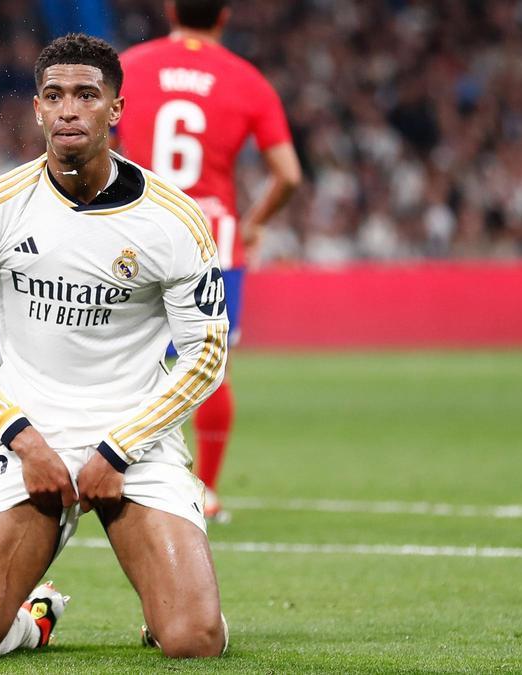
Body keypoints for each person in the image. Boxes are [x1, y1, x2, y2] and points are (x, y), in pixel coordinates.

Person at [0, 34, 230, 659]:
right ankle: (37, 616)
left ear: (115, 109)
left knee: (192, 640)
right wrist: (23, 438)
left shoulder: (173, 219)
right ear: (37, 109)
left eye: (86, 95)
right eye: (54, 95)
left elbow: (206, 355)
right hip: (32, 439)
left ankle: (168, 606)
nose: (69, 109)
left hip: (136, 443)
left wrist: (119, 449)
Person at [116, 0, 303, 521]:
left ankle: (116, 473)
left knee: (127, 360)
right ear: (224, 15)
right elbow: (288, 173)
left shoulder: (129, 66)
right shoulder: (247, 80)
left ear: (170, 9)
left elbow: (96, 143)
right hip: (212, 237)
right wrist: (257, 221)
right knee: (210, 368)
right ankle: (206, 490)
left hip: (137, 231)